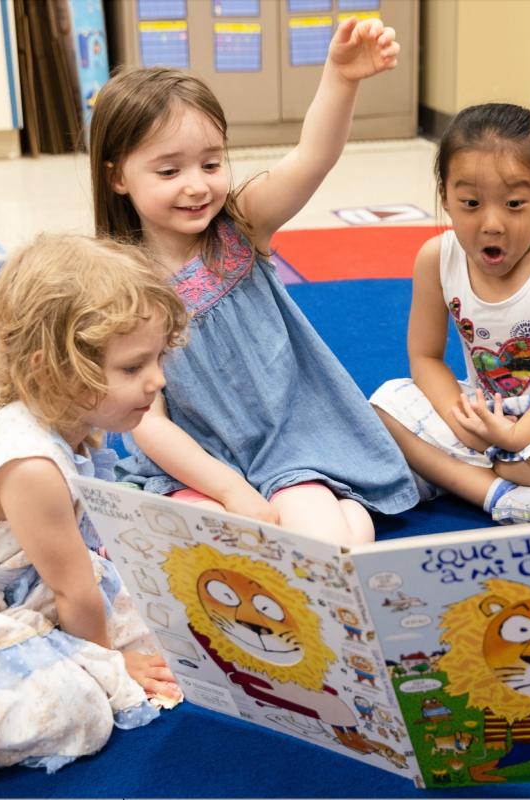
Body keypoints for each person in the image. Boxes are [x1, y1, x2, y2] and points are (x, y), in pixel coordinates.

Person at [89, 17, 418, 547]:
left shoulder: (240, 224)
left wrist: (341, 78)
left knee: (324, 550)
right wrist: (231, 490)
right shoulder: (117, 287)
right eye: (169, 171)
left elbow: (312, 157)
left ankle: (344, 512)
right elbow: (148, 423)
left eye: (211, 163)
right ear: (118, 177)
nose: (197, 186)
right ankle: (350, 514)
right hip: (195, 466)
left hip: (291, 448)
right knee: (199, 555)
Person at [0, 234, 187, 786]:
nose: (158, 380)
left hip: (18, 584)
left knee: (156, 616)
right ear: (51, 369)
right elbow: (73, 591)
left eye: (158, 358)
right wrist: (108, 668)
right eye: (133, 368)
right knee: (75, 705)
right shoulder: (31, 466)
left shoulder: (64, 425)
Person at [370, 103, 530, 523]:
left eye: (515, 203)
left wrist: (518, 433)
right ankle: (503, 494)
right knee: (382, 407)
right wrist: (462, 420)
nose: (492, 223)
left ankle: (459, 475)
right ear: (444, 195)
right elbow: (425, 358)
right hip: (481, 407)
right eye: (470, 203)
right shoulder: (436, 258)